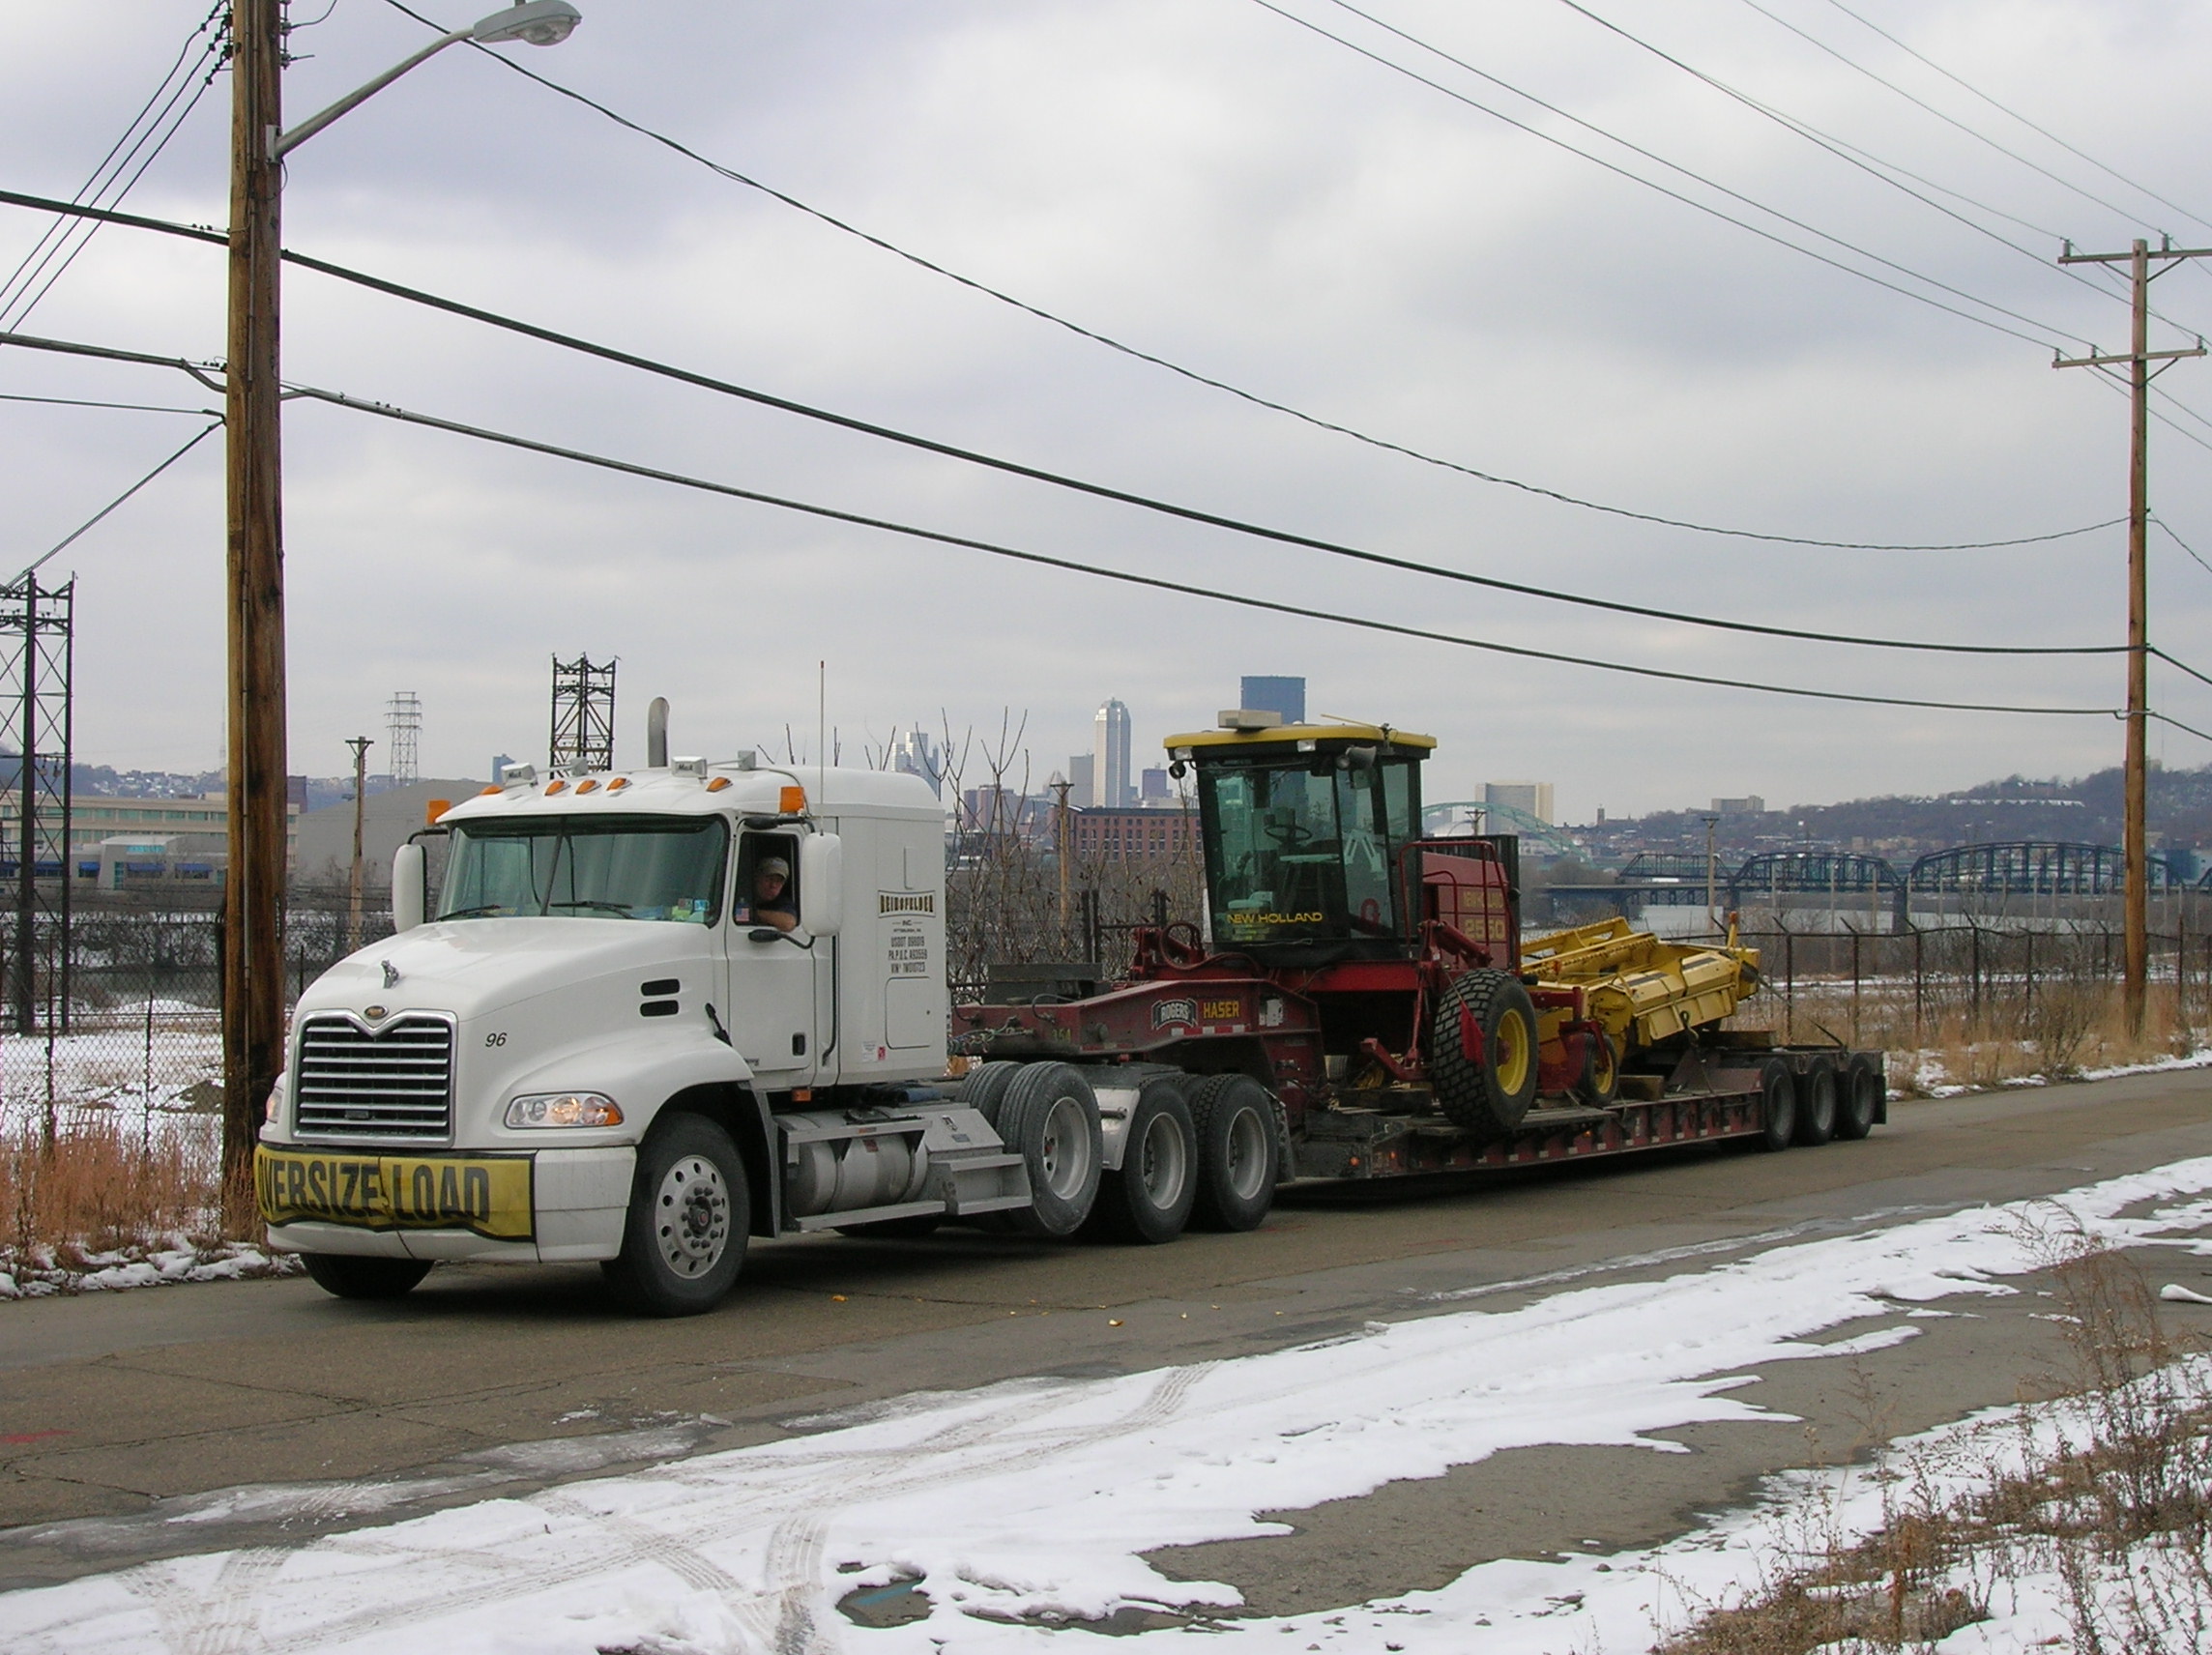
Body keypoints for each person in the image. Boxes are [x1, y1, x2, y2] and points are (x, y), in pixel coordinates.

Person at [748, 856, 798, 932]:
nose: (773, 885)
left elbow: (788, 923)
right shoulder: (741, 897)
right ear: (757, 877)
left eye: (779, 881)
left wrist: (752, 913)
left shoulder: (782, 903)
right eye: (769, 879)